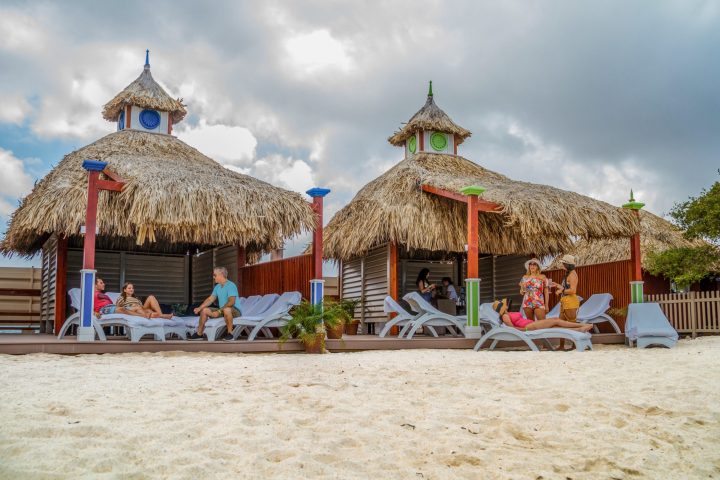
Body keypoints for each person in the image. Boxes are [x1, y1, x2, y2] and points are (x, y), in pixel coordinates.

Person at [188, 267, 242, 341]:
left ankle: (230, 334)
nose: (213, 277)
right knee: (204, 310)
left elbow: (231, 302)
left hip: (234, 310)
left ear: (221, 274)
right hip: (223, 310)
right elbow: (210, 299)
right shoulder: (217, 287)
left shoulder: (231, 285)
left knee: (227, 309)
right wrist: (199, 308)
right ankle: (199, 334)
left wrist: (219, 311)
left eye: (214, 275)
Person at [492, 299, 592, 333]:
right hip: (528, 327)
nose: (506, 305)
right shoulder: (505, 317)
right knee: (555, 320)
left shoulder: (508, 314)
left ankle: (579, 329)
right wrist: (526, 330)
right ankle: (581, 326)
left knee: (555, 327)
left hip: (531, 324)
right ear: (502, 308)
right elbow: (513, 329)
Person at [554, 254, 581, 350]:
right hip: (565, 301)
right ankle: (562, 345)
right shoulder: (569, 274)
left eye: (563, 263)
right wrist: (558, 286)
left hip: (571, 302)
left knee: (572, 324)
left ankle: (575, 345)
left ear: (568, 264)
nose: (562, 265)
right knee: (561, 324)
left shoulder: (573, 275)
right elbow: (566, 288)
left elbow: (573, 291)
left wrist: (562, 291)